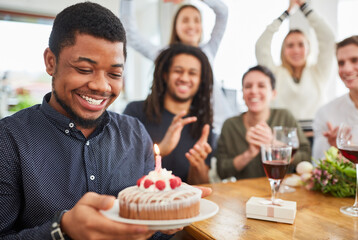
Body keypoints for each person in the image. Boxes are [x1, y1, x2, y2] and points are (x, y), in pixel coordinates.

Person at [0, 2, 211, 239]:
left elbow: (152, 228)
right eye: (84, 69)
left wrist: (165, 222)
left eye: (114, 74)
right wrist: (62, 229)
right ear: (51, 62)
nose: (101, 86)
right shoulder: (9, 140)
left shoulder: (134, 133)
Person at [120, 0, 236, 134]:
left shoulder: (207, 52)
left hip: (219, 127)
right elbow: (130, 34)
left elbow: (223, 12)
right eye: (185, 20)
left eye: (196, 20)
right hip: (188, 131)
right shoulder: (165, 55)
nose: (191, 25)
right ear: (175, 26)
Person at [123, 43, 214, 185]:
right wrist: (162, 150)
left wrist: (198, 164)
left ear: (201, 80)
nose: (184, 78)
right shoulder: (135, 112)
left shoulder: (202, 125)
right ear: (165, 75)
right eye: (178, 71)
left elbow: (200, 186)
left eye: (192, 73)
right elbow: (120, 171)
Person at [215, 65, 311, 180]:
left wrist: (273, 144)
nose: (254, 91)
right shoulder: (230, 125)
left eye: (261, 86)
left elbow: (306, 159)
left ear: (273, 93)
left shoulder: (285, 116)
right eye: (248, 86)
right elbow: (221, 171)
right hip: (243, 192)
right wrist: (249, 153)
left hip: (283, 191)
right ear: (242, 93)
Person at [255, 0, 335, 121]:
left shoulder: (318, 72)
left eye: (301, 45)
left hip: (317, 136)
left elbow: (328, 38)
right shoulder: (275, 74)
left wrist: (304, 7)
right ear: (283, 50)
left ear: (308, 49)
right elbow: (261, 46)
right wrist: (286, 14)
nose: (296, 50)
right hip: (282, 136)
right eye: (290, 45)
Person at [312, 35, 358, 160]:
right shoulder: (326, 113)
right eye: (341, 63)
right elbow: (316, 166)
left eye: (355, 60)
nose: (346, 69)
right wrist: (334, 151)